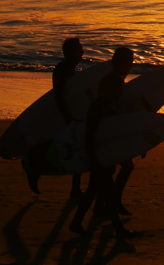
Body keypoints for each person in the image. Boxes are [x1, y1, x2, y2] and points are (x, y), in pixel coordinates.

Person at [69, 47, 135, 238]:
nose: (131, 66)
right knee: (105, 187)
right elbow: (93, 130)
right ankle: (119, 229)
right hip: (98, 150)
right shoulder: (105, 97)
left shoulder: (111, 91)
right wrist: (93, 155)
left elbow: (115, 123)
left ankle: (75, 223)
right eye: (128, 62)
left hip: (102, 148)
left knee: (94, 188)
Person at [22, 36, 85, 197]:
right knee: (66, 147)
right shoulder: (64, 69)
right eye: (79, 49)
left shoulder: (69, 68)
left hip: (69, 113)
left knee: (76, 147)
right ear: (70, 52)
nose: (83, 51)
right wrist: (68, 117)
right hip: (62, 114)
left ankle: (74, 189)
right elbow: (60, 96)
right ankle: (32, 168)